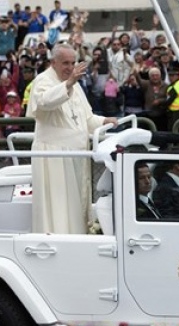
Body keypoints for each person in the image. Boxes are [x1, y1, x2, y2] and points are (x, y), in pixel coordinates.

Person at [26, 43, 117, 234]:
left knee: (76, 203)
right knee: (58, 205)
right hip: (53, 154)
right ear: (53, 62)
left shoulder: (75, 85)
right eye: (65, 63)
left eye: (73, 63)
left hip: (76, 154)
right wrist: (68, 84)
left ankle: (77, 236)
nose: (70, 67)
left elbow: (87, 118)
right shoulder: (43, 80)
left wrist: (104, 121)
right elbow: (44, 103)